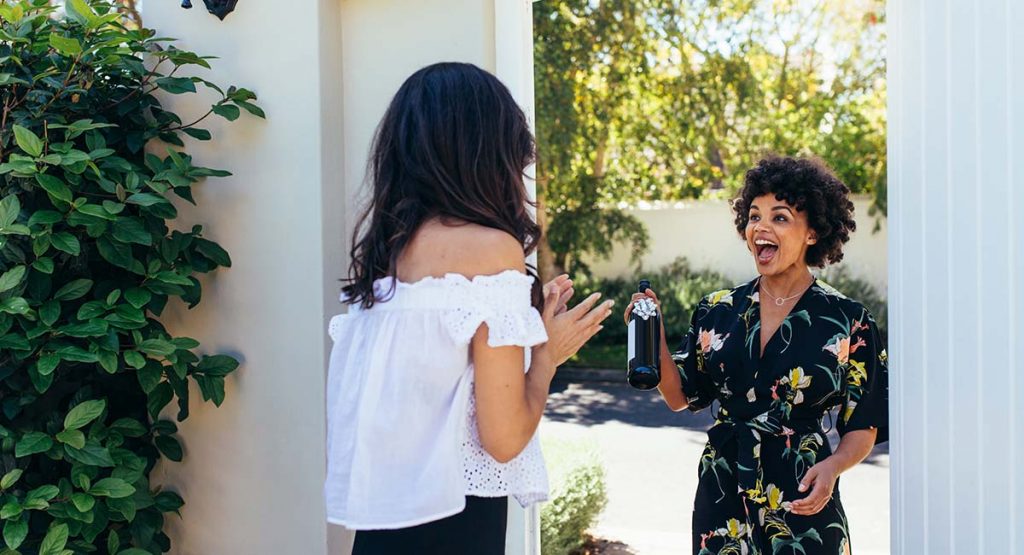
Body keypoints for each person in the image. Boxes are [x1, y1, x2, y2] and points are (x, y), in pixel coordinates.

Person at [323, 62, 615, 554]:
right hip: (454, 529)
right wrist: (546, 356)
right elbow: (503, 441)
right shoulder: (490, 250)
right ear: (488, 151)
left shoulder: (387, 253)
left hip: (382, 531)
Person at [625, 155, 888, 554]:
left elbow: (863, 425)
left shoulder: (849, 322)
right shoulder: (717, 310)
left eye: (779, 217)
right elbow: (679, 396)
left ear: (813, 233)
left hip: (803, 491)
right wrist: (654, 336)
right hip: (724, 489)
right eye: (754, 216)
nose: (760, 227)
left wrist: (833, 468)